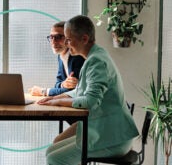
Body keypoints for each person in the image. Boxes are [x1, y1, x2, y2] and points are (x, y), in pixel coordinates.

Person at [38, 15, 139, 165]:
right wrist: (56, 98)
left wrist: (59, 101)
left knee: (54, 158)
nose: (66, 43)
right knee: (50, 152)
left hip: (113, 139)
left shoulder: (96, 61)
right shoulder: (94, 56)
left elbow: (90, 101)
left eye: (69, 39)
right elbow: (80, 90)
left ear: (84, 39)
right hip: (106, 132)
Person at [29, 21, 85, 97]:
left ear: (68, 38)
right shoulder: (61, 55)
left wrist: (43, 91)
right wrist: (63, 84)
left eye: (58, 37)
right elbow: (58, 84)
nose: (54, 42)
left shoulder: (77, 57)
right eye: (51, 37)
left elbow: (74, 91)